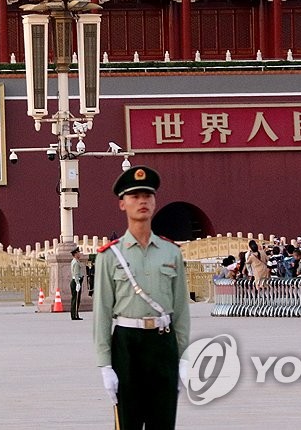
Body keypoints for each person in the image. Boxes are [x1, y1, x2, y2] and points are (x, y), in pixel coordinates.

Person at [94, 165, 190, 429]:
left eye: (147, 196)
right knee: (129, 423)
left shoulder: (171, 253)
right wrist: (105, 366)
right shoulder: (109, 256)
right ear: (122, 204)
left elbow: (181, 310)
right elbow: (102, 313)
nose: (142, 202)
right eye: (134, 196)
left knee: (163, 422)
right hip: (127, 344)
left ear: (155, 201)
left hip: (163, 344)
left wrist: (182, 358)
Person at [69, 247, 85, 320]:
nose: (79, 254)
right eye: (78, 252)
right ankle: (74, 315)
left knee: (75, 299)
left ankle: (75, 314)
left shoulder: (75, 261)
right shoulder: (75, 262)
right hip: (76, 281)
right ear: (75, 254)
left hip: (75, 281)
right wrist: (78, 283)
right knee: (75, 299)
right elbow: (76, 274)